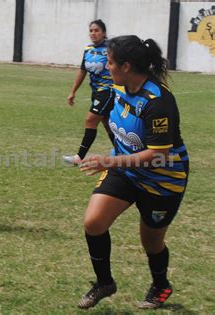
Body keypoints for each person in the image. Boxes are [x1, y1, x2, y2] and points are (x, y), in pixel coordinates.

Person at [76, 35, 189, 309]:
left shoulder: (158, 101)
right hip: (125, 169)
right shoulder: (116, 88)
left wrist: (108, 161)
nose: (106, 65)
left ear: (126, 66)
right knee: (93, 223)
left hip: (163, 180)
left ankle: (161, 285)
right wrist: (113, 154)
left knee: (151, 242)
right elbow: (101, 117)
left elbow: (158, 155)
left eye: (110, 61)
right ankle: (104, 282)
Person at [62, 20, 114, 165]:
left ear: (103, 33)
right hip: (96, 92)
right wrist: (73, 91)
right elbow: (83, 70)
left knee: (91, 120)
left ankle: (79, 157)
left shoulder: (111, 48)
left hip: (109, 90)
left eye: (96, 30)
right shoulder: (88, 49)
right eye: (91, 31)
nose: (93, 33)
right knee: (108, 123)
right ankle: (124, 154)